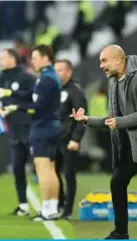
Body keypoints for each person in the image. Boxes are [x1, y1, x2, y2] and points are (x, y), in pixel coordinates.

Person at [71, 45, 137, 239]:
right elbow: (111, 119)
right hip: (128, 146)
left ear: (118, 60)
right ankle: (120, 232)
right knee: (118, 181)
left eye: (104, 60)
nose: (101, 65)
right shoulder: (115, 84)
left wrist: (120, 122)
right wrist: (86, 120)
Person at [0, 45, 61, 221]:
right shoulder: (49, 77)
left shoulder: (45, 79)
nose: (32, 61)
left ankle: (47, 209)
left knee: (43, 169)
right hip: (52, 126)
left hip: (42, 127)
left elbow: (37, 105)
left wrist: (16, 107)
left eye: (35, 57)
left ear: (46, 58)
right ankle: (52, 207)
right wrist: (10, 94)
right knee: (51, 168)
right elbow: (31, 95)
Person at [0, 48, 35, 216]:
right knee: (18, 168)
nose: (0, 61)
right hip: (14, 130)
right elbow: (1, 100)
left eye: (3, 57)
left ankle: (54, 204)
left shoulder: (26, 77)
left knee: (43, 168)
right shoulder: (2, 78)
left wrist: (12, 96)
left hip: (31, 128)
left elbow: (34, 97)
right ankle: (23, 205)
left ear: (13, 58)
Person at [54, 59, 87, 219]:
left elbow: (82, 117)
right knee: (54, 173)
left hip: (69, 139)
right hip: (56, 138)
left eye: (60, 70)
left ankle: (67, 210)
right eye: (55, 70)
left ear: (69, 72)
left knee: (69, 174)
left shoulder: (76, 90)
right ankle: (60, 203)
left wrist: (76, 138)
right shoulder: (57, 89)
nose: (57, 73)